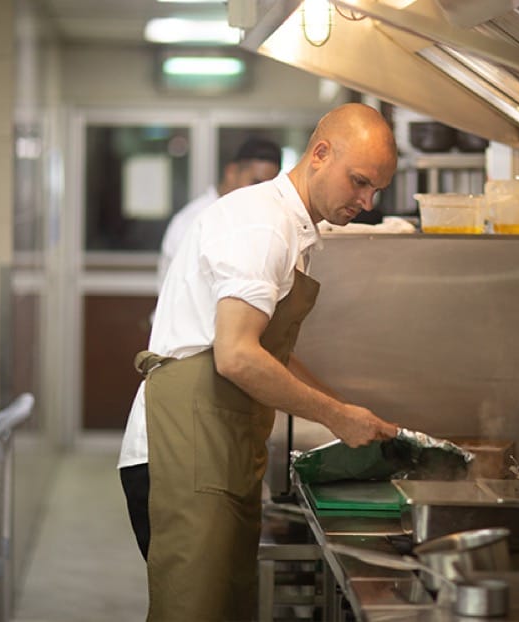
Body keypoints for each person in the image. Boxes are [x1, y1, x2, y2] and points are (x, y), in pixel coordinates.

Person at [118, 103, 401, 621]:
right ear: (319, 154)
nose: (366, 200)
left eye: (377, 189)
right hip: (181, 447)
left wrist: (347, 411)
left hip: (216, 448)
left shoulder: (295, 229)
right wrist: (335, 417)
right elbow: (237, 357)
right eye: (359, 181)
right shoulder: (263, 226)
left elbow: (269, 355)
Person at [156, 136, 283, 288]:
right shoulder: (195, 220)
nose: (261, 192)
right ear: (231, 172)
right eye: (255, 183)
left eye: (268, 186)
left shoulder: (255, 219)